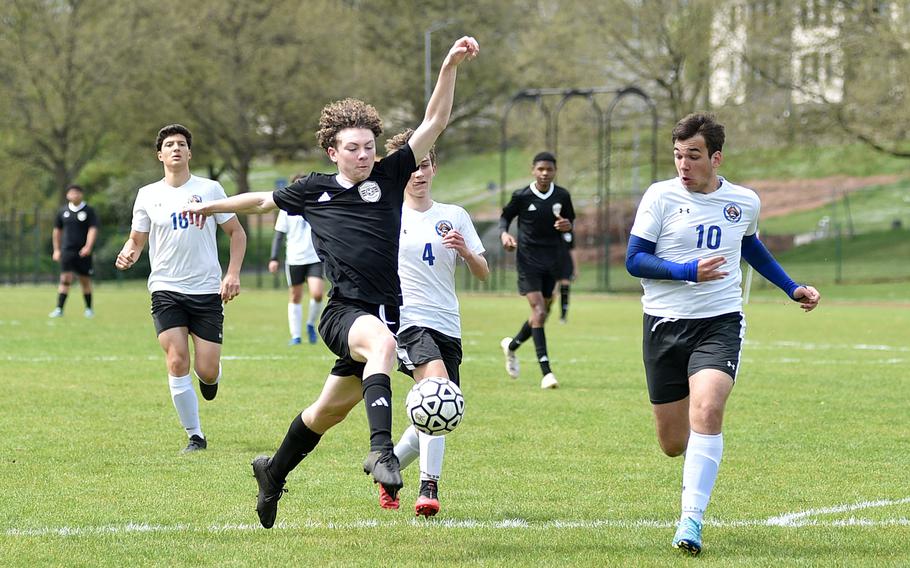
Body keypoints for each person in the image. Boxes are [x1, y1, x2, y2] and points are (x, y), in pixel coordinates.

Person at [181, 36, 479, 529]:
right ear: (331, 150)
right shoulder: (314, 190)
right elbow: (259, 201)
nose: (363, 155)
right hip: (343, 313)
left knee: (326, 412)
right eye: (353, 148)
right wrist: (210, 206)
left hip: (391, 313)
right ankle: (382, 453)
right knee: (381, 345)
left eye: (368, 147)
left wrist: (448, 65)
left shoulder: (389, 176)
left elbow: (435, 122)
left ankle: (271, 472)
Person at [625, 112, 821, 556]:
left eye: (693, 155)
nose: (683, 164)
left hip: (720, 322)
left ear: (716, 157)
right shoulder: (659, 197)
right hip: (662, 324)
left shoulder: (744, 202)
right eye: (677, 155)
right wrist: (686, 271)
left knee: (709, 408)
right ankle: (697, 456)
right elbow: (635, 259)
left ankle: (690, 520)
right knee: (673, 443)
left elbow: (749, 244)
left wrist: (793, 287)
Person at [115, 124, 247, 453]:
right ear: (160, 155)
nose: (176, 148)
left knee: (206, 368)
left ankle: (211, 378)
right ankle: (195, 435)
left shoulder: (211, 189)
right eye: (170, 145)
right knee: (176, 360)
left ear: (190, 153)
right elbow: (137, 238)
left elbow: (237, 233)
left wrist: (231, 274)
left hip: (205, 291)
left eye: (182, 144)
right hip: (165, 289)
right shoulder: (148, 194)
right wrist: (129, 252)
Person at [379, 128, 488, 517]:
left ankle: (386, 465)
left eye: (424, 165)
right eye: (411, 167)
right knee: (437, 389)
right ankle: (429, 487)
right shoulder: (389, 217)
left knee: (440, 413)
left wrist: (465, 252)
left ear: (434, 167)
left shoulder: (453, 216)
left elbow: (482, 272)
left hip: (449, 324)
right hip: (409, 322)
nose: (418, 174)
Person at [498, 152, 575, 389]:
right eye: (540, 169)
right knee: (539, 312)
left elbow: (570, 221)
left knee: (541, 315)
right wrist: (504, 234)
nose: (544, 173)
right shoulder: (522, 195)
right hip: (527, 261)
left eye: (549, 169)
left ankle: (511, 347)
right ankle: (547, 373)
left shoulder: (562, 195)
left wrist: (567, 225)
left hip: (552, 261)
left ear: (554, 171)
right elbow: (505, 217)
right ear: (533, 170)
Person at [268, 176, 326, 346]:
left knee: (317, 293)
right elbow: (279, 235)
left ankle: (310, 324)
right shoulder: (286, 209)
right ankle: (296, 336)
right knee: (295, 295)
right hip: (294, 258)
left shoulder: (317, 205)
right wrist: (274, 258)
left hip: (314, 257)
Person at [49, 185, 99, 318]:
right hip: (67, 251)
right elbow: (57, 231)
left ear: (81, 194)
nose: (74, 195)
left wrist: (88, 246)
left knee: (85, 280)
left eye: (76, 193)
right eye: (71, 193)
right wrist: (57, 250)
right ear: (67, 195)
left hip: (83, 252)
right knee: (65, 279)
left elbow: (93, 229)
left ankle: (89, 309)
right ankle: (59, 309)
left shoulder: (89, 211)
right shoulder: (62, 211)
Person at [555, 229, 579, 323]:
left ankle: (563, 316)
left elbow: (572, 249)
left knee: (565, 289)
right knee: (551, 293)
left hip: (566, 263)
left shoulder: (569, 231)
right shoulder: (550, 227)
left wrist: (576, 268)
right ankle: (544, 311)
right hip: (553, 262)